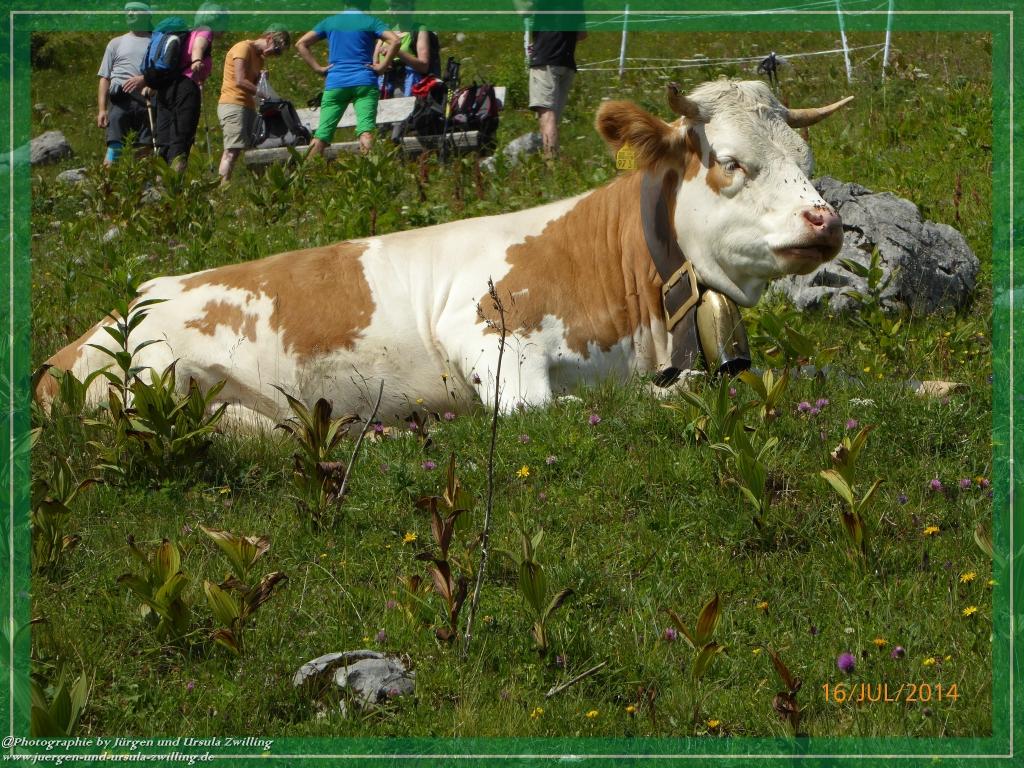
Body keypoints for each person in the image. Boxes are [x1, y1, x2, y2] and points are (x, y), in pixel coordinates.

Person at [296, 2, 400, 157]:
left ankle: (305, 174)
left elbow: (301, 43)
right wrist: (382, 67)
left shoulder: (330, 22)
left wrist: (318, 68)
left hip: (336, 82)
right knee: (365, 130)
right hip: (364, 80)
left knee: (322, 134)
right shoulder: (371, 21)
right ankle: (368, 174)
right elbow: (395, 41)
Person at [154, 2, 225, 170]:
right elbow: (198, 46)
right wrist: (197, 60)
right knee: (182, 139)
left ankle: (161, 184)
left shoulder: (187, 34)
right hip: (186, 88)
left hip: (167, 87)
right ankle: (177, 186)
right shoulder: (205, 30)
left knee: (165, 141)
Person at [217, 27, 291, 183]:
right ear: (269, 38)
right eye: (276, 50)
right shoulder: (243, 48)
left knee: (243, 150)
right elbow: (240, 80)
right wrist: (261, 92)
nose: (275, 55)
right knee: (231, 150)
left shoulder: (260, 59)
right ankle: (221, 189)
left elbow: (253, 83)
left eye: (279, 53)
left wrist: (261, 80)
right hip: (233, 103)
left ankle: (239, 184)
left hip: (248, 106)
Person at [97, 2, 155, 165]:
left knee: (144, 150)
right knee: (114, 148)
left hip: (147, 102)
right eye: (127, 10)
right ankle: (107, 187)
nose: (130, 13)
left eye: (135, 10)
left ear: (146, 14)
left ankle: (139, 188)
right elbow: (105, 77)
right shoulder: (115, 43)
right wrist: (102, 109)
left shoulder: (155, 42)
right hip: (120, 102)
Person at [528, 27, 586, 158]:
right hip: (567, 63)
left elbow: (524, 11)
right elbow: (582, 34)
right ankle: (552, 157)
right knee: (553, 118)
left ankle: (551, 165)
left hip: (545, 60)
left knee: (547, 114)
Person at [374, 0, 440, 98]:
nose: (392, 10)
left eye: (396, 5)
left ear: (409, 6)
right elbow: (375, 62)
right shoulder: (386, 31)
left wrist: (395, 51)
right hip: (382, 88)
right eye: (390, 6)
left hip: (407, 87)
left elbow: (424, 66)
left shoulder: (419, 30)